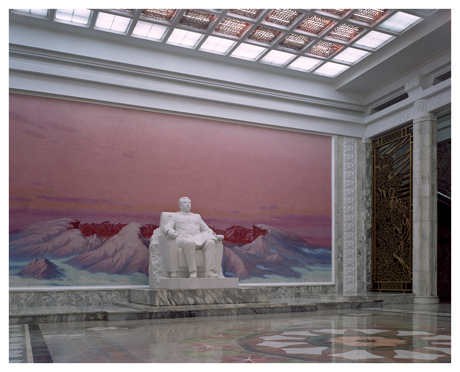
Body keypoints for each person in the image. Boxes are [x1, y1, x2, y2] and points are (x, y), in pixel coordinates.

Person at [163, 197, 219, 279]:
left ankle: (209, 271)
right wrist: (171, 231)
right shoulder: (175, 216)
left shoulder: (197, 216)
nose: (188, 204)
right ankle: (193, 271)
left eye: (189, 202)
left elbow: (206, 229)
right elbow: (167, 227)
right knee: (189, 242)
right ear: (180, 205)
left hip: (198, 238)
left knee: (210, 242)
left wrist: (213, 234)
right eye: (185, 202)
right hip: (183, 238)